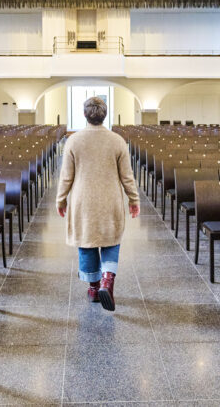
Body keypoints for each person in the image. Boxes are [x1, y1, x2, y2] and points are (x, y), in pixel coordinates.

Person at [56, 96, 140, 311]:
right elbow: (127, 176)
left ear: (85, 115)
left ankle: (94, 288)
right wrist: (133, 199)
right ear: (104, 115)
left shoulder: (74, 140)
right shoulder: (117, 141)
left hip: (83, 200)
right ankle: (107, 281)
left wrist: (61, 199)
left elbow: (66, 176)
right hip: (110, 197)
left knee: (86, 241)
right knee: (111, 240)